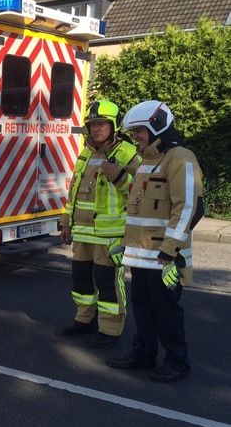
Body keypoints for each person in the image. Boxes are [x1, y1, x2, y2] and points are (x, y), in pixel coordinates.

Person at [107, 100, 204, 382]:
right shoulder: (146, 161)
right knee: (144, 309)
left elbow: (189, 208)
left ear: (156, 127)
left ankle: (177, 361)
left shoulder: (180, 157)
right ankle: (143, 354)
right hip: (140, 257)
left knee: (167, 312)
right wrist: (125, 244)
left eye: (139, 131)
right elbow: (138, 207)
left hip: (163, 258)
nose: (135, 136)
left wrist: (168, 251)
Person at [59, 100, 141, 348]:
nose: (97, 129)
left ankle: (110, 329)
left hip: (110, 234)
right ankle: (84, 320)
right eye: (93, 124)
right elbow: (73, 192)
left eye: (102, 124)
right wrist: (66, 222)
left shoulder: (127, 154)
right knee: (81, 280)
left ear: (114, 126)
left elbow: (141, 194)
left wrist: (118, 176)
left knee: (107, 283)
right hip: (82, 233)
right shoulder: (85, 153)